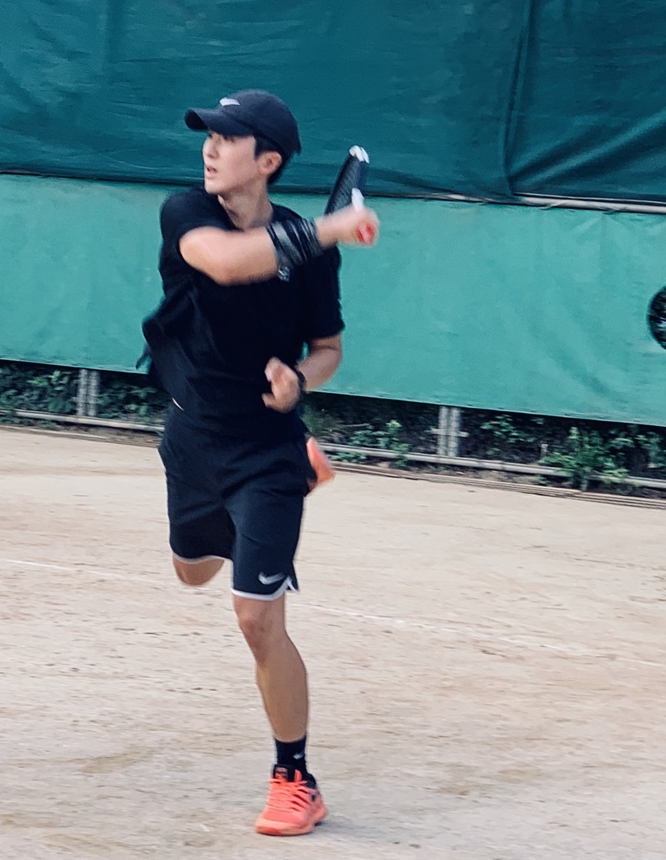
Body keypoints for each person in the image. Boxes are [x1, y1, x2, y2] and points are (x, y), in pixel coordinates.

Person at [141, 89, 378, 836]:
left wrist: (301, 378)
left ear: (267, 160)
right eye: (207, 136)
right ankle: (278, 491)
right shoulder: (187, 212)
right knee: (191, 572)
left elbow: (329, 348)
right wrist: (330, 226)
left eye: (227, 139)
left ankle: (294, 777)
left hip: (267, 447)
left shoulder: (310, 252)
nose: (210, 149)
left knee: (256, 619)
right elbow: (228, 263)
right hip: (192, 438)